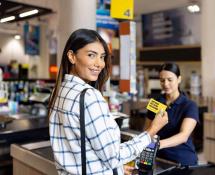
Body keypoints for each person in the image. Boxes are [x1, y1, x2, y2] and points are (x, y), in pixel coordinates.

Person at [48, 29, 168, 175]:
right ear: (72, 56)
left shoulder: (59, 91)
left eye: (102, 57)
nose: (100, 64)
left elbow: (80, 150)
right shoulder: (89, 97)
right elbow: (113, 156)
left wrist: (113, 170)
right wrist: (151, 131)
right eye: (91, 55)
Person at [144, 63, 199, 166]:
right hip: (159, 159)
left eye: (170, 80)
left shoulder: (189, 105)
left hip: (182, 160)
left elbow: (183, 136)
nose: (165, 84)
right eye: (162, 80)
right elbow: (147, 131)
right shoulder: (155, 102)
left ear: (179, 79)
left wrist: (158, 144)